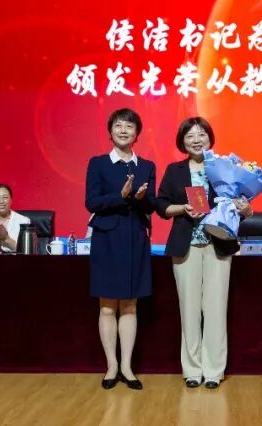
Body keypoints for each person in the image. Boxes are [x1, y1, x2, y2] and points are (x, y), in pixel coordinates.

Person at [155, 116, 252, 390]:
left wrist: (246, 210)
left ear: (210, 137)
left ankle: (213, 370)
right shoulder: (175, 171)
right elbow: (161, 205)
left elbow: (242, 206)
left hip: (217, 245)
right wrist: (182, 208)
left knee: (216, 309)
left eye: (201, 134)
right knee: (188, 310)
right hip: (185, 246)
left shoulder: (224, 168)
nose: (196, 140)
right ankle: (192, 369)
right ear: (182, 142)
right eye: (190, 136)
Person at [85, 108, 156, 391]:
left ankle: (127, 366)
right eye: (118, 126)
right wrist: (121, 195)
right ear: (110, 131)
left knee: (130, 304)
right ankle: (111, 365)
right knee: (106, 307)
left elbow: (152, 205)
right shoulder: (98, 163)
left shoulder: (147, 166)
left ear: (137, 134)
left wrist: (140, 198)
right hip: (107, 239)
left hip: (135, 237)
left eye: (129, 126)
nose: (123, 130)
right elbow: (92, 202)